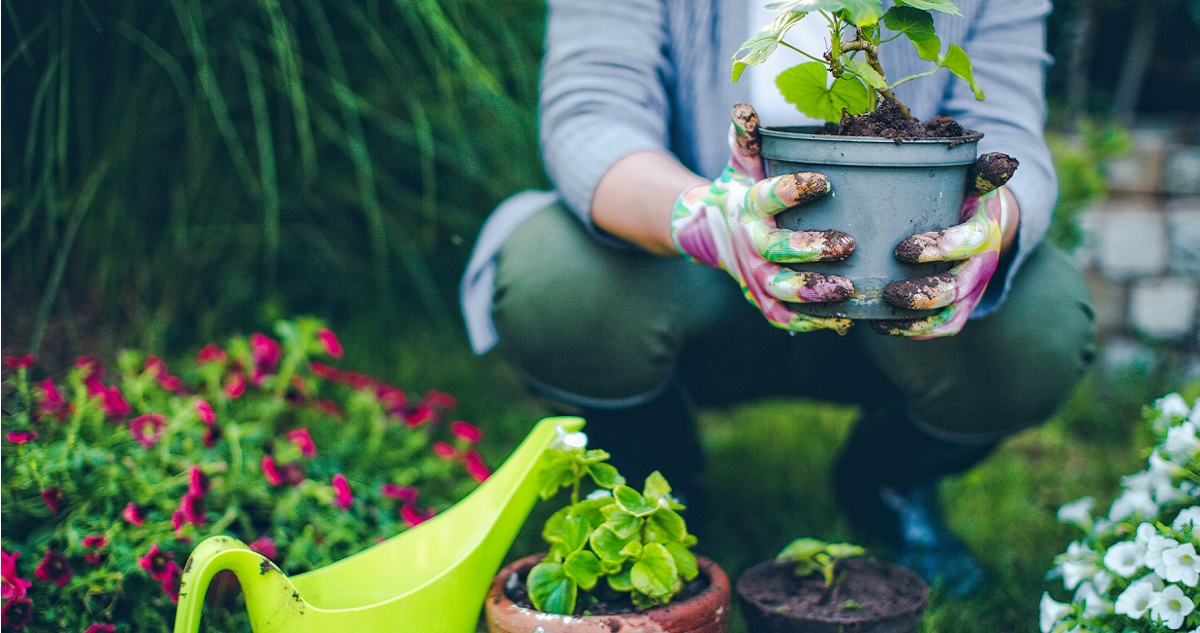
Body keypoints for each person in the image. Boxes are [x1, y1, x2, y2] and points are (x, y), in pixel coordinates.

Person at [460, 0, 1095, 597]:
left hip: (894, 278)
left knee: (1038, 323)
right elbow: (591, 115)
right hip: (682, 271)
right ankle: (653, 459)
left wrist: (992, 223)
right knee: (558, 279)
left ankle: (891, 477)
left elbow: (1009, 124)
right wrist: (704, 220)